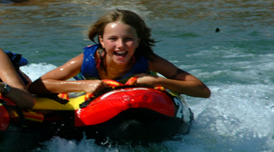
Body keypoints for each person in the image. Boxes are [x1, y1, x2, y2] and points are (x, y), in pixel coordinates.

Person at [28, 9, 211, 98]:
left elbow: (202, 91)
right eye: (112, 39)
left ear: (138, 41)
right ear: (101, 40)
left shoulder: (148, 60)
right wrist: (85, 85)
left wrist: (157, 81)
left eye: (128, 39)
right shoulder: (88, 60)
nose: (120, 46)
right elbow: (37, 86)